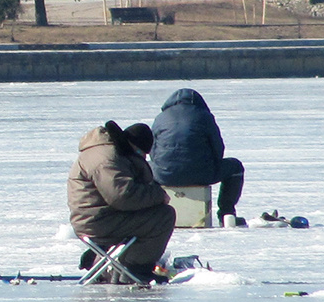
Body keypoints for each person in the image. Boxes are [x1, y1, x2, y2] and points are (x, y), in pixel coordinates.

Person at [67, 121, 175, 283]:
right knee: (163, 216)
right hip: (97, 222)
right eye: (140, 154)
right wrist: (158, 195)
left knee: (151, 213)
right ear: (134, 147)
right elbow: (122, 196)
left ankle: (100, 256)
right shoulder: (107, 159)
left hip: (97, 216)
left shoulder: (104, 151)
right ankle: (135, 269)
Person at [150, 88, 245, 226]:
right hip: (201, 174)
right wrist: (209, 165)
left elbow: (153, 150)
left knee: (142, 168)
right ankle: (226, 213)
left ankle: (150, 214)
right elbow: (218, 147)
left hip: (164, 174)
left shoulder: (160, 118)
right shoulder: (204, 116)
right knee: (235, 167)